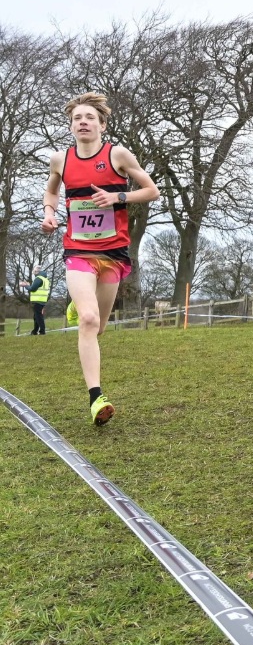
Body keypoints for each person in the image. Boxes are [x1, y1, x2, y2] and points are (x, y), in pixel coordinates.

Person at [41, 92, 160, 425]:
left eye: (89, 117)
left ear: (102, 125)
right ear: (71, 127)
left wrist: (117, 196)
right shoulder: (60, 160)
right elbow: (51, 190)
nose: (83, 122)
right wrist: (50, 213)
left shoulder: (117, 155)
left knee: (99, 326)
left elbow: (152, 190)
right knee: (89, 321)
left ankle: (80, 307)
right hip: (78, 250)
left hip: (113, 252)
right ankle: (96, 397)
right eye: (77, 118)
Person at [20, 266, 50, 335]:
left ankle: (42, 331)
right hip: (42, 300)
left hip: (37, 300)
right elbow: (35, 287)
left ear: (37, 272)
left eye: (34, 271)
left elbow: (32, 289)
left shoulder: (38, 278)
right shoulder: (45, 279)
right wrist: (28, 285)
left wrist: (25, 285)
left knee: (38, 316)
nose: (33, 272)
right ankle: (35, 331)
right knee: (36, 316)